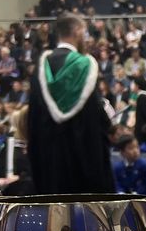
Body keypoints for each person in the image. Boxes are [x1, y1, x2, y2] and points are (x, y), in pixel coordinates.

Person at [27, 13, 115, 194]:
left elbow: (33, 119)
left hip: (50, 163)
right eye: (84, 32)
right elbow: (95, 117)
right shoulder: (85, 65)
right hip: (81, 164)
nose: (86, 37)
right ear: (77, 31)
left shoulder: (41, 66)